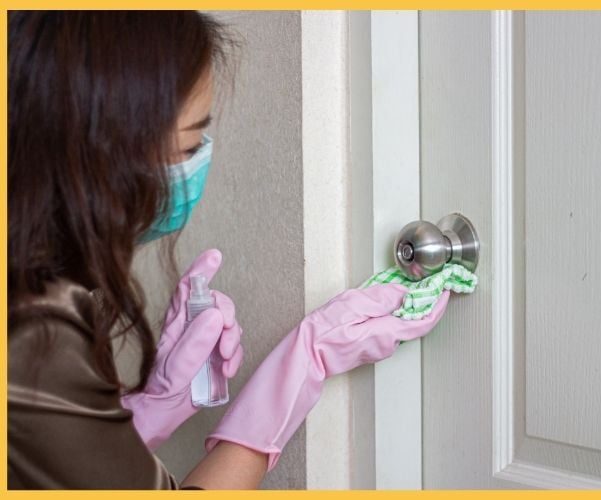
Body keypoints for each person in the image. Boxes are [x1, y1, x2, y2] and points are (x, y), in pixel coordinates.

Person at [7, 11, 450, 489]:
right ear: (98, 151)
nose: (198, 162)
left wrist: (150, 409)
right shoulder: (34, 335)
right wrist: (303, 362)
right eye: (190, 146)